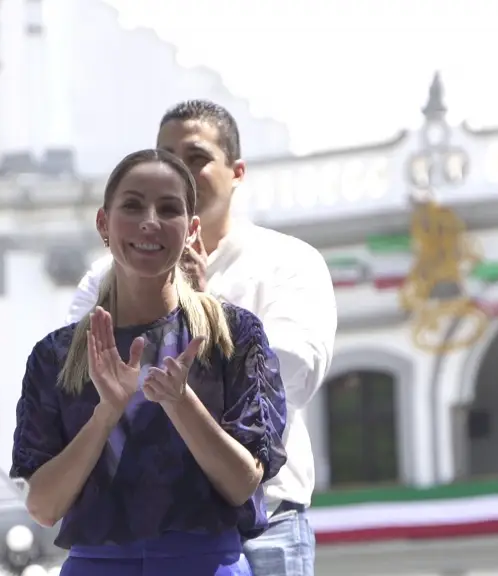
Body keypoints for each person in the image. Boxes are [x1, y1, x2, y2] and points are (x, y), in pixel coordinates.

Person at [66, 100, 336, 576]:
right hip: (145, 536)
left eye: (196, 158)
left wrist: (199, 309)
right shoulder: (103, 277)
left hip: (263, 523)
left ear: (237, 172)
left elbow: (294, 375)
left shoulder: (288, 262)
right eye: (165, 158)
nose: (178, 172)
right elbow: (75, 381)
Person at [11, 149, 288, 576]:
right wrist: (106, 414)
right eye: (133, 205)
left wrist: (181, 403)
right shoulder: (56, 357)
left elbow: (242, 483)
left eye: (169, 209)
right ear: (104, 223)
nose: (150, 221)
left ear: (191, 229)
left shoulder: (233, 336)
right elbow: (44, 507)